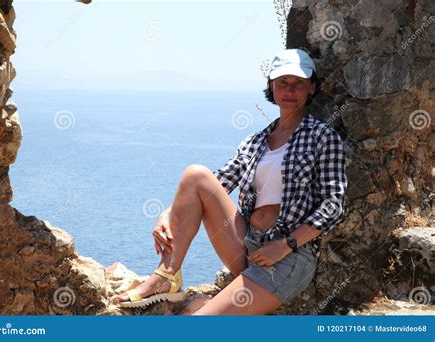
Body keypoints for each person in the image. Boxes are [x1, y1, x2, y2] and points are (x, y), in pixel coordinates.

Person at [115, 48, 348, 315]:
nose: (290, 89)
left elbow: (333, 204)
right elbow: (218, 183)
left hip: (287, 259)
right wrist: (168, 215)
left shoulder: (322, 136)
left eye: (299, 83)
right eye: (282, 82)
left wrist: (285, 245)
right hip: (248, 245)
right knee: (195, 175)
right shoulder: (255, 142)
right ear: (271, 87)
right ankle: (166, 276)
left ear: (312, 88)